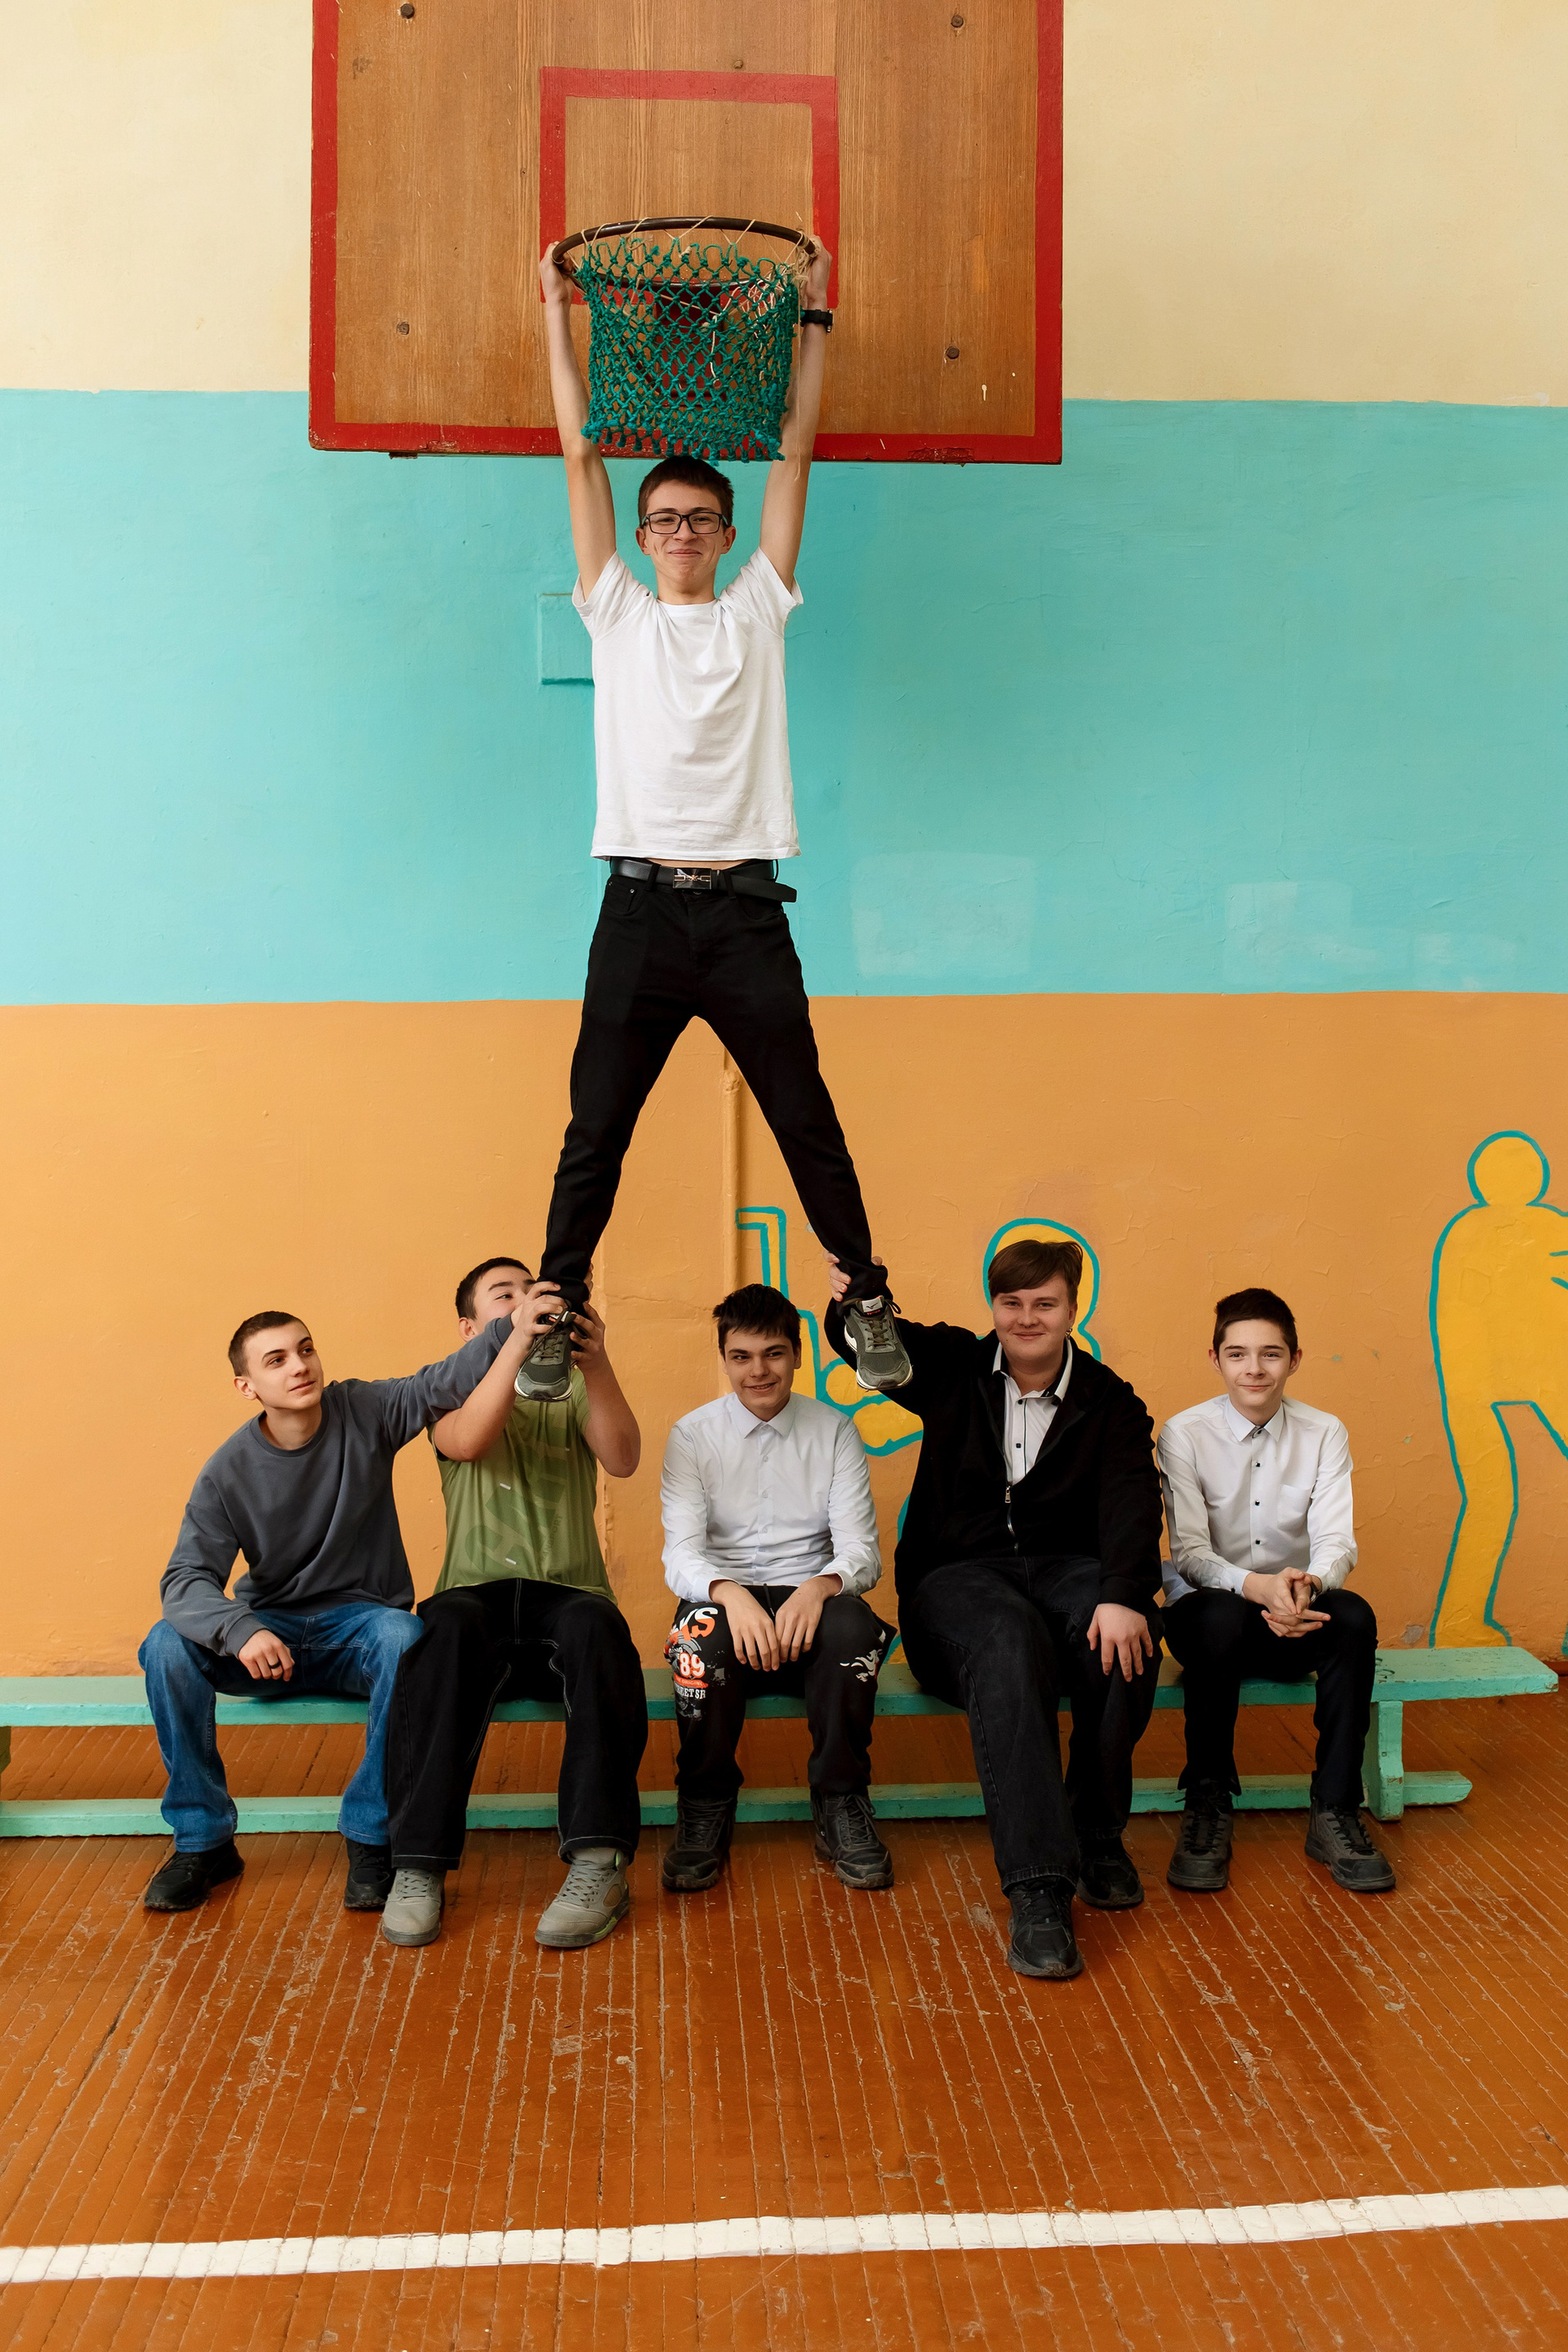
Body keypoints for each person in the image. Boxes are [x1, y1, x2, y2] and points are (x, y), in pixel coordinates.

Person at [519, 234, 908, 1405]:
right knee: (595, 1129)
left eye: (700, 517)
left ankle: (864, 1295)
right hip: (639, 912)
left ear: (728, 535)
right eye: (664, 519)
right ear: (640, 538)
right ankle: (553, 1310)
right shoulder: (614, 612)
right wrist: (557, 316)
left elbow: (795, 452)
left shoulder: (756, 612)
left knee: (806, 1118)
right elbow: (580, 452)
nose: (681, 531)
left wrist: (814, 322)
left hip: (743, 917)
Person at [825, 1239, 1164, 1982]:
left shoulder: (1110, 1402)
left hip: (1066, 1573)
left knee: (1128, 1633)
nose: (1027, 1318)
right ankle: (1039, 1887)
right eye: (1012, 1303)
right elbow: (859, 1342)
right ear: (994, 1307)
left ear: (1074, 1308)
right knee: (1008, 1636)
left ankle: (1097, 1833)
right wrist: (858, 1293)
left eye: (1045, 1303)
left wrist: (1123, 1595)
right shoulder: (952, 1366)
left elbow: (1132, 1505)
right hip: (958, 1582)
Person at [139, 1301, 528, 1914]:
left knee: (404, 1636)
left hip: (360, 1631)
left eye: (305, 1349)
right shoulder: (228, 1471)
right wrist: (240, 1630)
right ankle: (203, 1842)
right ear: (247, 1386)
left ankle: (371, 1836)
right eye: (276, 1360)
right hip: (270, 1638)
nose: (299, 1366)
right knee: (165, 1645)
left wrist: (514, 1325)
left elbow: (441, 1381)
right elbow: (185, 1580)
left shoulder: (363, 1410)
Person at [380, 1257, 647, 1951]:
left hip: (570, 1596)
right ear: (471, 1328)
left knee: (601, 1629)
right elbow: (468, 1442)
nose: (527, 1301)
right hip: (476, 1599)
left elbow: (623, 1458)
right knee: (439, 1630)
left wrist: (596, 1363)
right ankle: (417, 1865)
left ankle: (599, 1864)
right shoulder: (447, 1391)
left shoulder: (574, 1387)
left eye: (533, 1292)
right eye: (506, 1297)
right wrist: (517, 1342)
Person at [1157, 1287, 1394, 1895]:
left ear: (1295, 1359)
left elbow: (1336, 1540)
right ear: (1215, 1359)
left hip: (1295, 1611)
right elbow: (1190, 1553)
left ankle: (1335, 1808)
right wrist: (1259, 1588)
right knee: (1217, 1617)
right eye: (1237, 1354)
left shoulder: (1324, 1431)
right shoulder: (1184, 1433)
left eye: (1271, 1354)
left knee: (1354, 1617)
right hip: (1212, 1620)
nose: (1254, 1369)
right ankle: (1208, 1800)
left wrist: (1308, 1586)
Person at [660, 1284, 894, 1894]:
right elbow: (681, 1552)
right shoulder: (692, 1436)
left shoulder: (834, 1431)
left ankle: (841, 1803)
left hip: (808, 1597)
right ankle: (704, 1805)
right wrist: (728, 1592)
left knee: (852, 1631)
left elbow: (860, 1550)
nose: (758, 1371)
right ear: (724, 1358)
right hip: (725, 1599)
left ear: (797, 1354)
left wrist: (819, 1588)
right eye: (741, 1356)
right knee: (698, 1638)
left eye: (773, 1354)